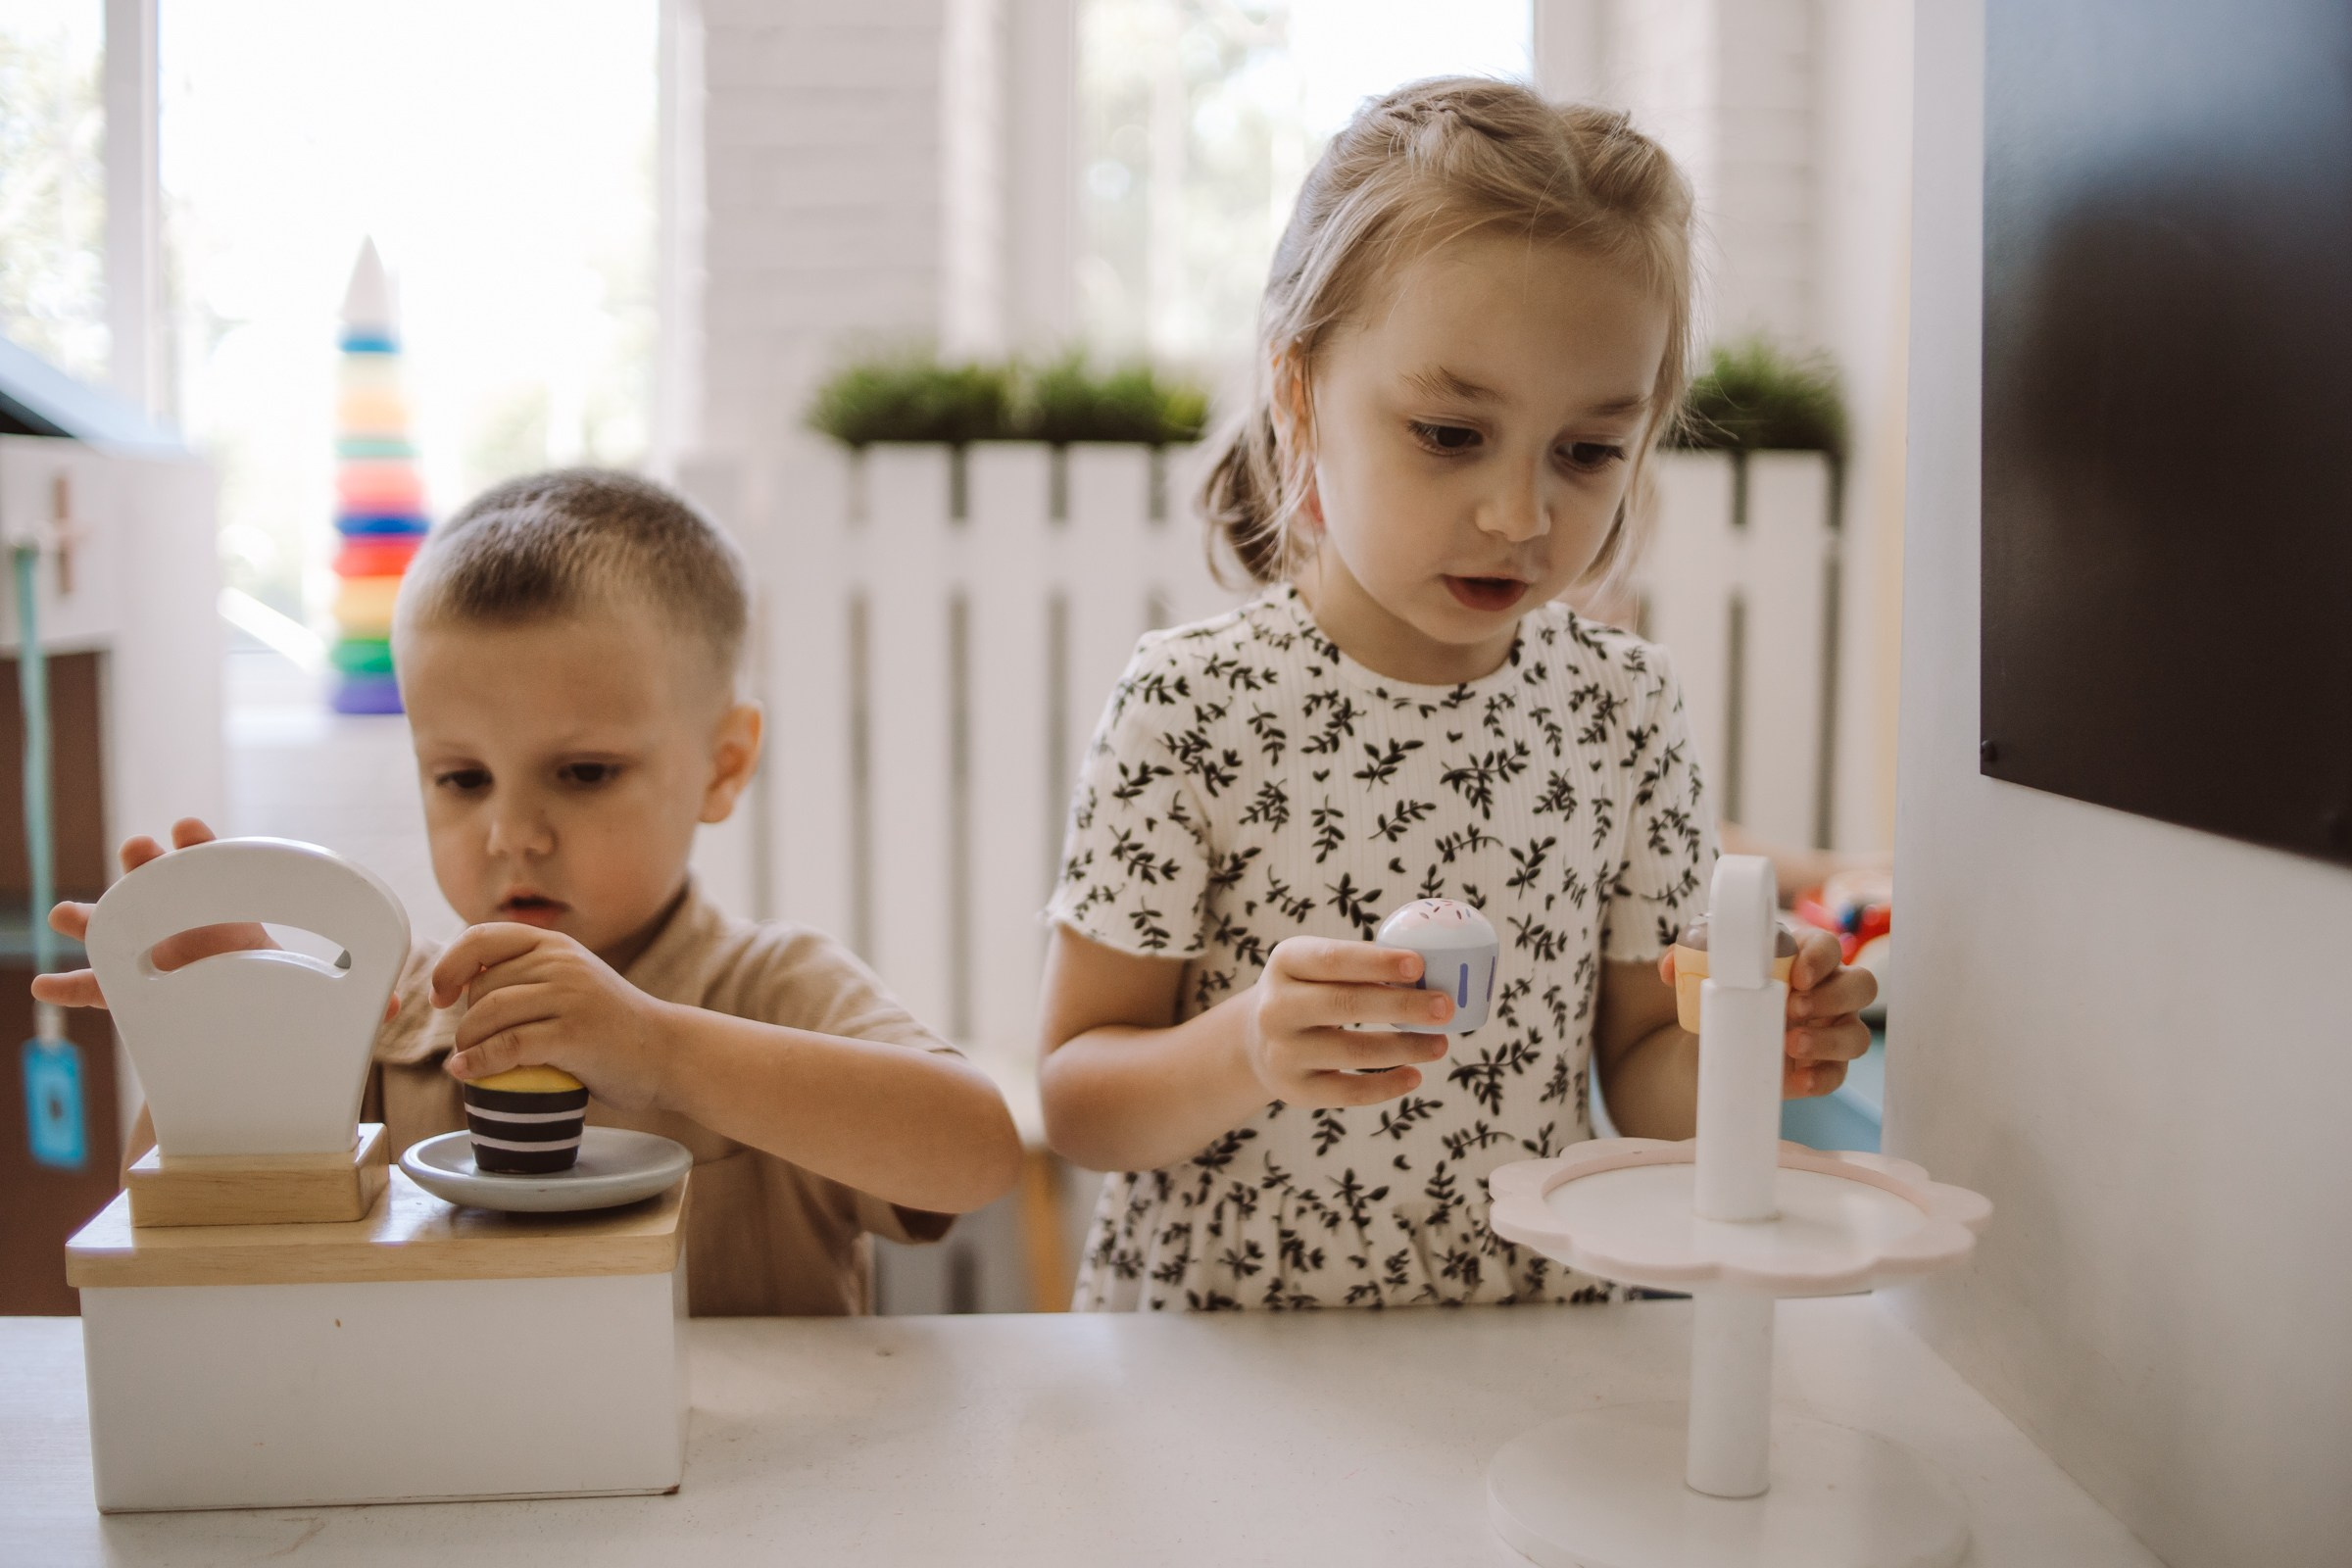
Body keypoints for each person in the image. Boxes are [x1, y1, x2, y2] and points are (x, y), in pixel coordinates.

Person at [1036, 79, 1876, 1311]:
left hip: (1521, 1335)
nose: (1521, 516)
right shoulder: (1192, 707)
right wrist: (1248, 1045)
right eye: (1447, 432)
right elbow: (1076, 1098)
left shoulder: (1626, 712)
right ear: (1299, 392)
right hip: (1227, 1352)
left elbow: (1641, 1072)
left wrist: (1751, 1051)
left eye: (1588, 452)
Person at [36, 469, 1022, 1314]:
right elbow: (190, 1266)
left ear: (723, 766)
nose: (513, 832)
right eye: (462, 778)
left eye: (584, 772)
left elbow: (975, 1156)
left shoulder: (771, 988)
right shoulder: (376, 1017)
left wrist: (660, 1046)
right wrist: (234, 1035)